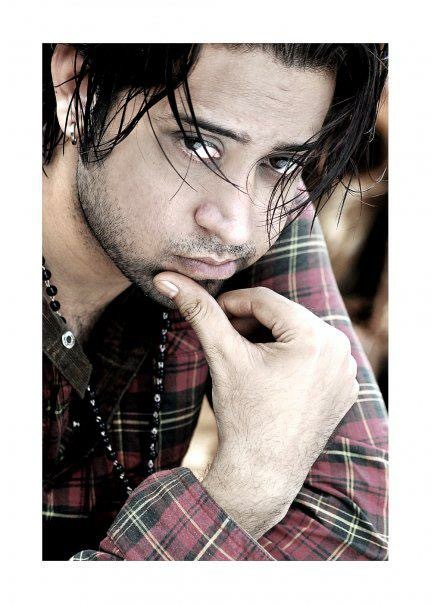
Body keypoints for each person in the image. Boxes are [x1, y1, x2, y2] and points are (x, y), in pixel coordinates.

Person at [42, 42, 388, 560]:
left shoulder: (266, 205)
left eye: (283, 160)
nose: (237, 227)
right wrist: (244, 490)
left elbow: (363, 526)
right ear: (79, 88)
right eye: (199, 145)